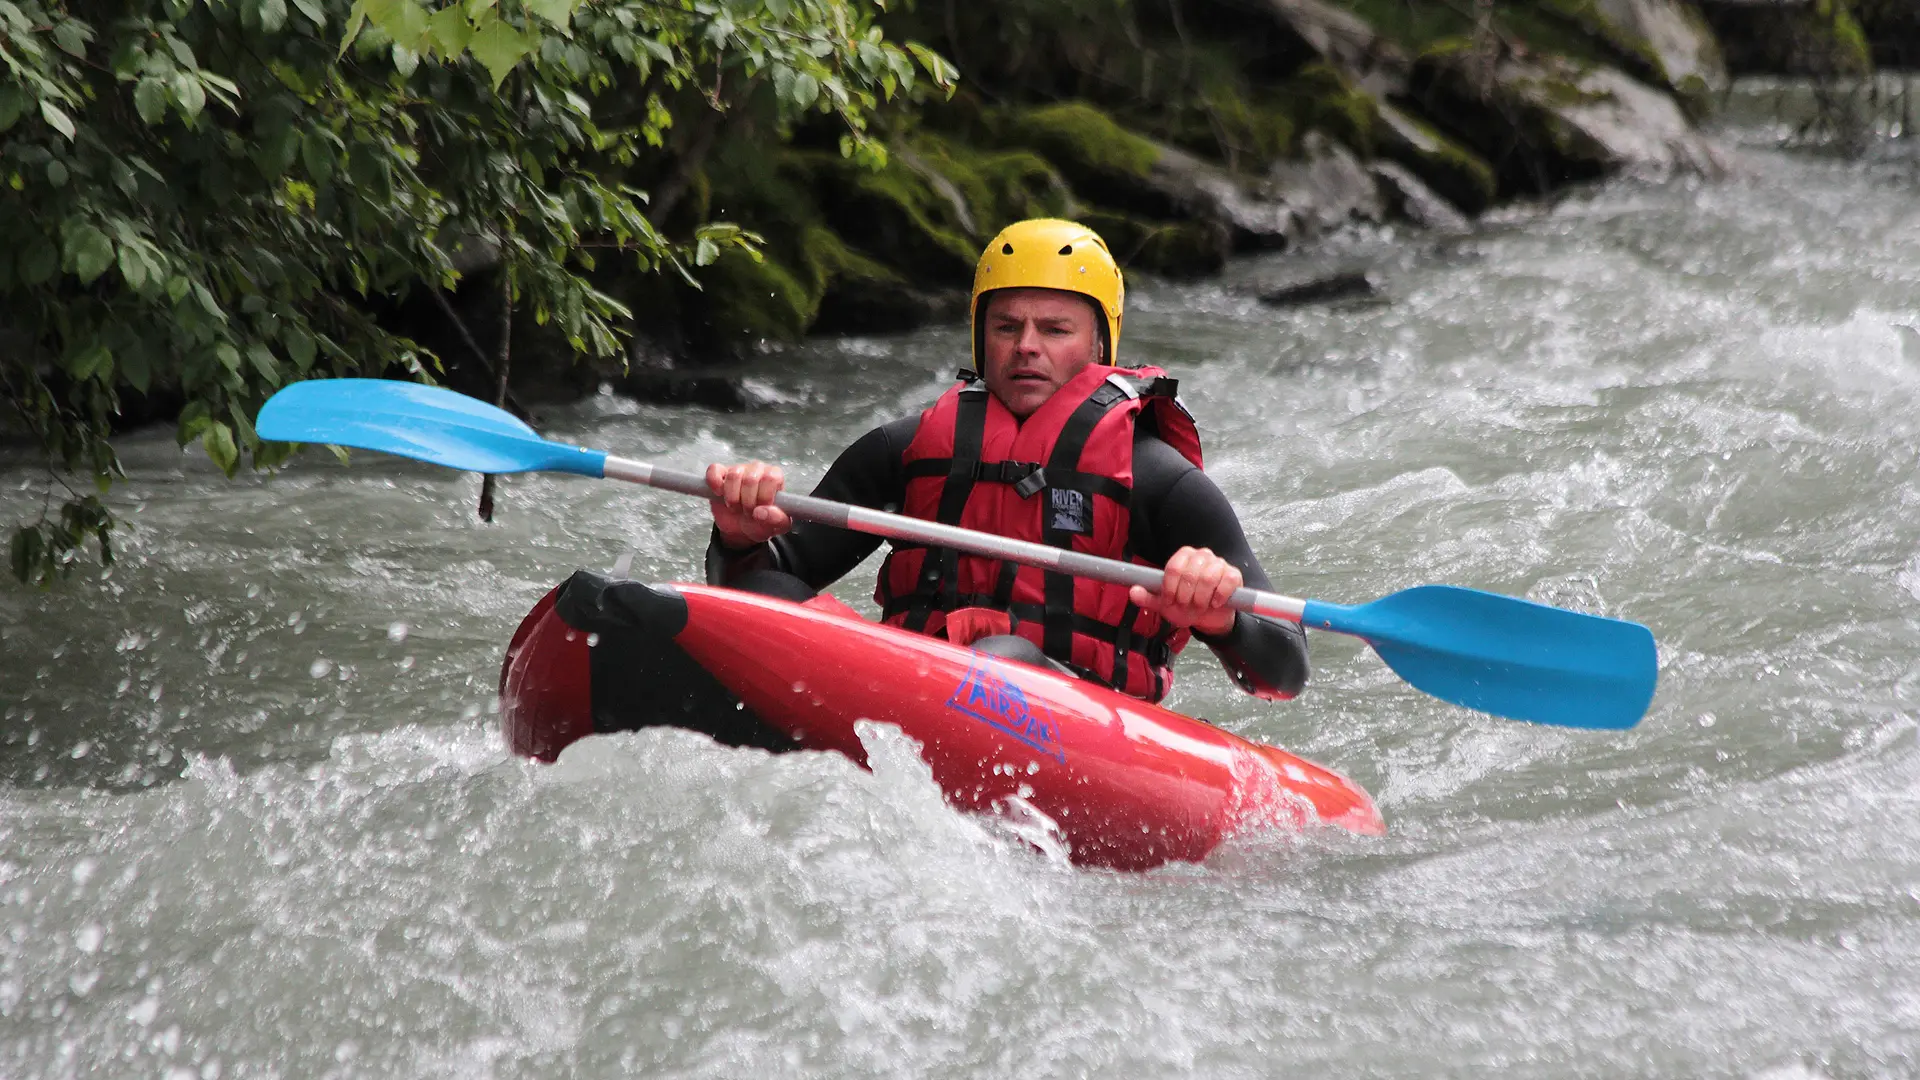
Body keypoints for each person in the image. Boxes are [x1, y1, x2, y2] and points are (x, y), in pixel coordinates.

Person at [703, 218, 1307, 703]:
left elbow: (1286, 667)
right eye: (1006, 326)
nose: (1026, 347)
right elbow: (757, 588)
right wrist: (738, 538)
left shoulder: (1158, 481)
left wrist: (1220, 619)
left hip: (1079, 723)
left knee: (1001, 663)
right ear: (980, 338)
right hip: (911, 692)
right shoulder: (904, 450)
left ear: (1101, 345)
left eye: (1054, 328)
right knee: (765, 591)